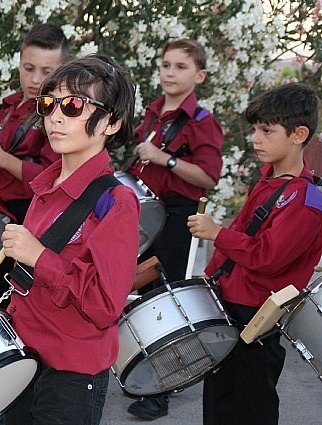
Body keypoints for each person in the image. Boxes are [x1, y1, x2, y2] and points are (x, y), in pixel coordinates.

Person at [0, 54, 140, 425]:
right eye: (49, 104)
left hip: (71, 376)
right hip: (24, 356)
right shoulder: (46, 186)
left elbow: (105, 305)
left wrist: (39, 257)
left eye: (74, 106)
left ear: (112, 122)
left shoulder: (117, 203)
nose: (55, 117)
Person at [188, 82, 322, 425]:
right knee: (219, 401)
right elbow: (243, 231)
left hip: (257, 317)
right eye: (254, 130)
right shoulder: (269, 181)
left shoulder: (306, 200)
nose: (256, 139)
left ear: (299, 134)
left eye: (267, 130)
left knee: (251, 406)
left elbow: (269, 257)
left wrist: (217, 234)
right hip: (231, 305)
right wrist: (213, 274)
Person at [126, 39, 224, 421]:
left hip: (177, 214)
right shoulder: (152, 112)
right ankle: (134, 366)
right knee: (135, 288)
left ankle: (162, 388)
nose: (170, 72)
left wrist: (165, 160)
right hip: (144, 209)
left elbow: (208, 177)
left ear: (198, 75)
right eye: (166, 64)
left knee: (165, 298)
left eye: (181, 67)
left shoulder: (201, 121)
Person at [0, 23, 69, 304]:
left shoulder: (59, 115)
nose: (35, 79)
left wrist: (3, 159)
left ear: (62, 69)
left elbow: (53, 176)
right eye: (29, 68)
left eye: (47, 72)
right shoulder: (11, 105)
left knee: (14, 297)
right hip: (0, 210)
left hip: (29, 217)